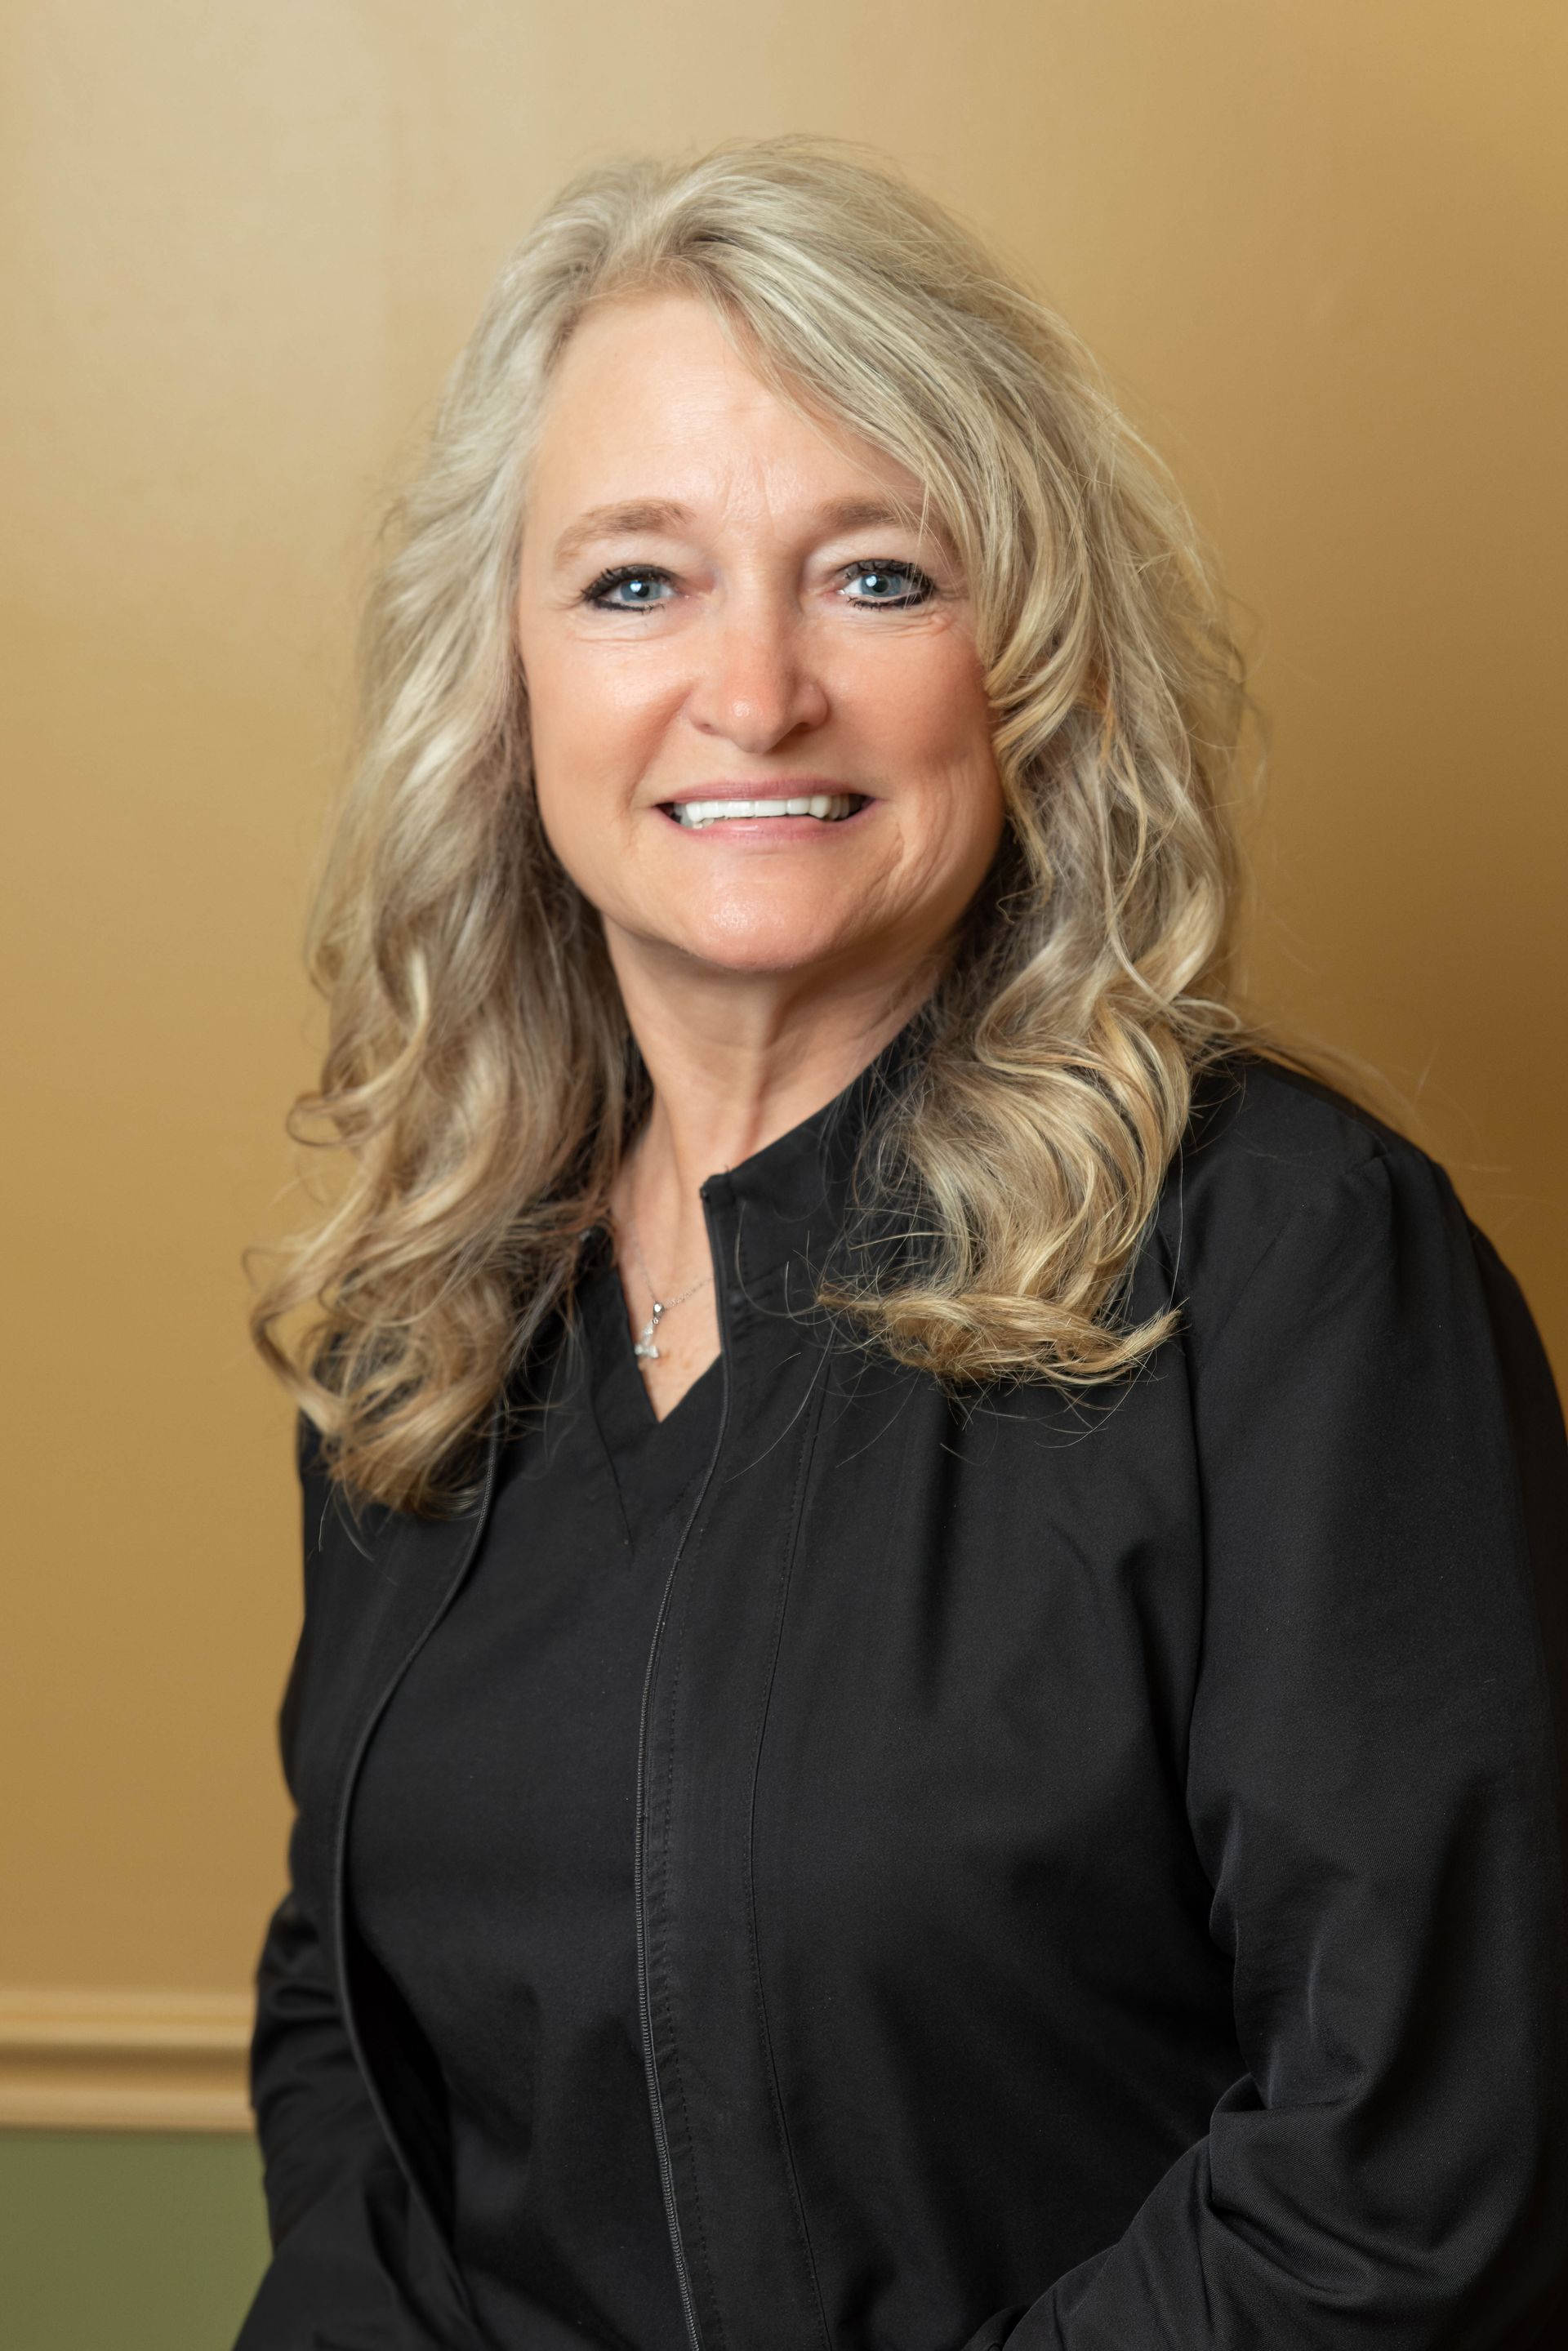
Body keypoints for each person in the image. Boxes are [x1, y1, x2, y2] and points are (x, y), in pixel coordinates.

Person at [238, 140, 1568, 2350]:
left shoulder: (1302, 1274)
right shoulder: (434, 1306)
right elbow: (347, 2025)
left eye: (874, 577)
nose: (752, 695)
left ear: (1028, 665)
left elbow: (1417, 2169)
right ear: (506, 685)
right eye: (636, 584)